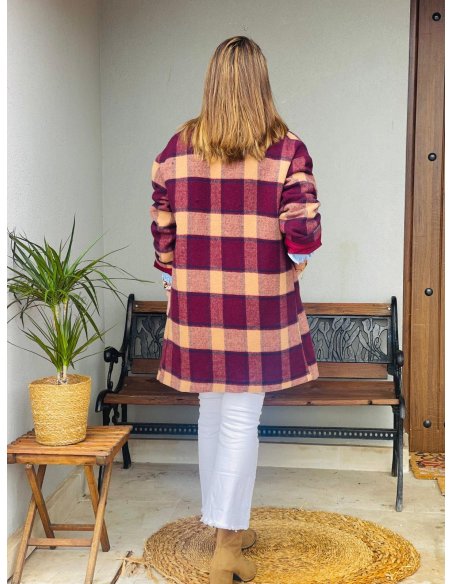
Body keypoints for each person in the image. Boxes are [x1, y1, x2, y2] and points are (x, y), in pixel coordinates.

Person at [150, 35, 322, 584]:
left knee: (211, 414)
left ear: (212, 83)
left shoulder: (177, 147)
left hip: (197, 302)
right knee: (242, 420)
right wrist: (297, 261)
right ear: (261, 83)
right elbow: (302, 230)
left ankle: (226, 524)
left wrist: (176, 274)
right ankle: (226, 546)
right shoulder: (287, 148)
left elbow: (162, 228)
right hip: (259, 303)